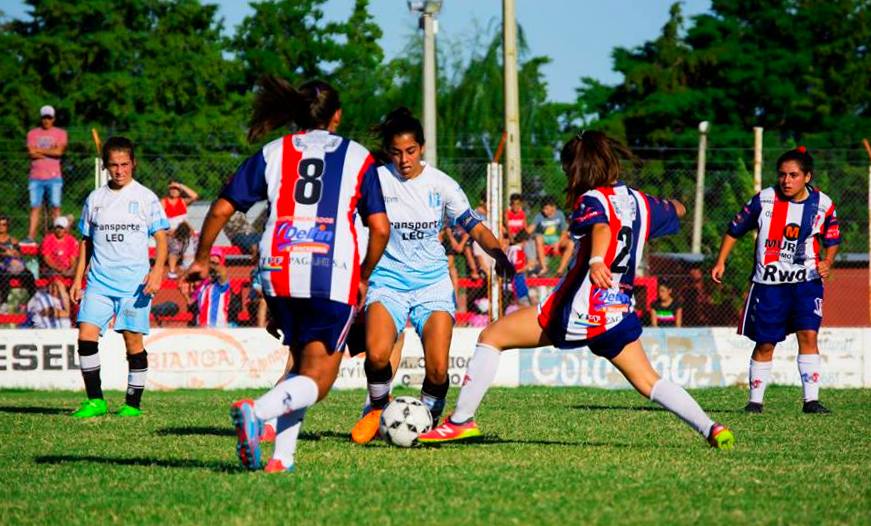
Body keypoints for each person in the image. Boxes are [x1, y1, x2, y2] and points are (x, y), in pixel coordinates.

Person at [418, 130, 734, 449]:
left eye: (568, 169)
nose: (567, 176)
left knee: (492, 336)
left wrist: (596, 259)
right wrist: (666, 206)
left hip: (578, 309)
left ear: (577, 168)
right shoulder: (640, 202)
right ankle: (711, 428)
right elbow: (678, 209)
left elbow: (602, 227)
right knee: (648, 381)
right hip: (616, 311)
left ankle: (460, 421)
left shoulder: (591, 200)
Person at [186, 76, 390, 473]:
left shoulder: (273, 152)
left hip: (277, 269)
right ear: (337, 116)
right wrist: (365, 273)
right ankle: (257, 411)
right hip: (330, 272)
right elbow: (380, 228)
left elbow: (222, 209)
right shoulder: (357, 157)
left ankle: (282, 457)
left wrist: (201, 256)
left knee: (299, 363)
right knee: (321, 380)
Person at [349, 107, 514, 445]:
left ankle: (426, 422)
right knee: (377, 355)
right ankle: (379, 409)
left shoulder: (442, 185)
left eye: (410, 151)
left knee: (438, 369)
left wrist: (498, 253)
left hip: (432, 284)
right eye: (396, 152)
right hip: (388, 280)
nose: (404, 159)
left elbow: (474, 226)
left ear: (421, 148)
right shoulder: (376, 182)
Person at [711, 146, 839, 414]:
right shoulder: (764, 199)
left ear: (807, 176)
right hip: (769, 284)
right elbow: (735, 229)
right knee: (766, 342)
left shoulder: (823, 204)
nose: (786, 181)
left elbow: (832, 237)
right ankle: (755, 402)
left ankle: (811, 401)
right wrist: (721, 261)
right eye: (782, 175)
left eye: (793, 175)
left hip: (807, 280)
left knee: (808, 334)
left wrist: (828, 261)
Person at [69, 136, 169, 419]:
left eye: (125, 164)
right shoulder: (95, 199)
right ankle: (95, 401)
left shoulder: (145, 197)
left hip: (134, 284)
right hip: (99, 282)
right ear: (106, 166)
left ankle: (132, 405)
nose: (119, 170)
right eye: (114, 165)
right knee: (86, 337)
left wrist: (157, 270)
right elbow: (86, 241)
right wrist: (78, 279)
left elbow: (161, 238)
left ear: (133, 164)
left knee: (132, 342)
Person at [26, 105, 68, 242]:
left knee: (55, 207)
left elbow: (59, 152)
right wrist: (51, 150)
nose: (46, 120)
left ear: (53, 118)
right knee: (35, 207)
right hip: (35, 177)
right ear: (41, 118)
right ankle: (30, 237)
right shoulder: (32, 134)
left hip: (54, 176)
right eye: (44, 117)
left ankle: (58, 236)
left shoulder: (61, 133)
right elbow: (31, 153)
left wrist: (40, 151)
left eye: (49, 117)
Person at [181, 248, 241, 328]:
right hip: (201, 326)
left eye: (215, 263)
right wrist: (186, 296)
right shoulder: (203, 286)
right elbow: (193, 304)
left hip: (217, 326)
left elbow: (222, 271)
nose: (212, 265)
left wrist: (207, 263)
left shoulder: (221, 285)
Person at [531, 195, 575, 276]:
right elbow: (531, 229)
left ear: (553, 207)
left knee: (571, 243)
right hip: (543, 239)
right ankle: (544, 268)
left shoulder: (559, 214)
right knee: (538, 238)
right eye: (543, 209)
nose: (544, 211)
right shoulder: (539, 216)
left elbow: (564, 232)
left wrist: (558, 243)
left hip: (555, 239)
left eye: (546, 209)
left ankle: (560, 271)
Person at [0, 214, 36, 307]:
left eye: (4, 225)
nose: (1, 227)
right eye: (0, 224)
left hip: (14, 266)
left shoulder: (13, 240)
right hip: (2, 266)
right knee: (4, 277)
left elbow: (20, 255)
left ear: (7, 226)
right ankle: (3, 303)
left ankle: (34, 300)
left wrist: (15, 253)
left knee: (28, 275)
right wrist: (5, 254)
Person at [39, 216, 79, 283]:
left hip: (66, 269)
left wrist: (70, 269)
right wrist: (58, 268)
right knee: (57, 279)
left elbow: (72, 258)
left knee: (79, 274)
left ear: (66, 229)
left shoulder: (71, 240)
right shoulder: (48, 239)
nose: (59, 230)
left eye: (62, 228)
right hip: (51, 269)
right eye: (57, 227)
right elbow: (47, 258)